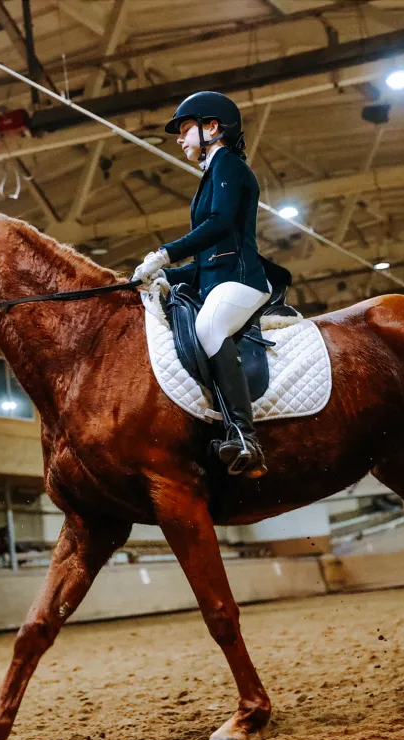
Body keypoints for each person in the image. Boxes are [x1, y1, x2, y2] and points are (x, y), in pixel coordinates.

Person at [132, 91, 270, 478]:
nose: (179, 138)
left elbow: (221, 227)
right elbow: (208, 258)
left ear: (213, 127)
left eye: (185, 128)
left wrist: (165, 253)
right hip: (217, 280)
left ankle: (244, 434)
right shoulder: (212, 173)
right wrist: (163, 276)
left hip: (242, 281)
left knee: (208, 326)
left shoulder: (229, 165)